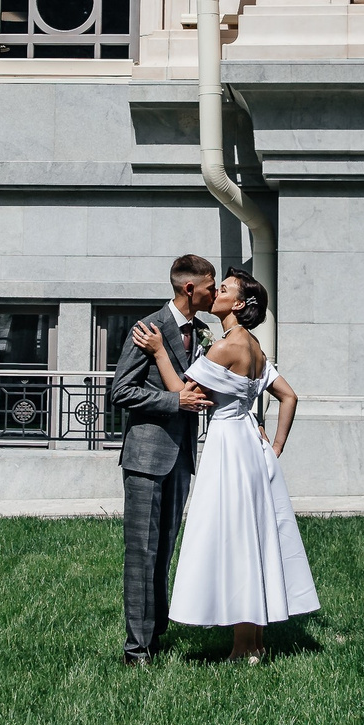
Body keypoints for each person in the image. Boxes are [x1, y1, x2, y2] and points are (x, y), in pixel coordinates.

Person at [130, 266, 318, 663]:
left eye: (225, 289)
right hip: (251, 444)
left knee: (236, 537)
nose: (216, 292)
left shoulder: (226, 347)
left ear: (239, 304)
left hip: (229, 446)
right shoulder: (256, 348)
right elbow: (290, 397)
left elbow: (183, 392)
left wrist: (161, 351)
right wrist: (275, 445)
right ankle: (255, 643)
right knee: (254, 535)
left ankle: (242, 647)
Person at [109, 253, 217, 664]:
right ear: (190, 288)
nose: (213, 293)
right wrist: (173, 401)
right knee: (142, 551)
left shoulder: (203, 332)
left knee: (165, 548)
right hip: (146, 458)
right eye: (209, 286)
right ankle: (136, 651)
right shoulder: (147, 329)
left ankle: (154, 632)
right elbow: (121, 391)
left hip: (182, 459)